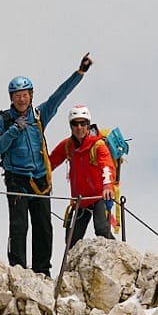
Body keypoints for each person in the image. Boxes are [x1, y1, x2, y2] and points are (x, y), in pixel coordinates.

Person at [0, 54, 94, 277]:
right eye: (17, 95)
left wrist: (80, 73)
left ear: (31, 95)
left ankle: (42, 271)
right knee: (19, 227)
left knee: (43, 227)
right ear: (11, 97)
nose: (22, 99)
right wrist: (14, 130)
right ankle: (18, 270)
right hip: (16, 179)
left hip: (39, 180)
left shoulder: (39, 115)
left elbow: (59, 95)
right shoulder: (4, 120)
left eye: (25, 95)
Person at [49, 104, 116, 248]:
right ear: (70, 126)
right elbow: (50, 163)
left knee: (102, 230)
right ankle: (71, 268)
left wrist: (107, 186)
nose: (79, 127)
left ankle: (117, 254)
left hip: (99, 196)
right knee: (72, 240)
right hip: (80, 199)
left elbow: (107, 165)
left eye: (83, 123)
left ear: (88, 124)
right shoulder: (67, 145)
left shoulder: (98, 145)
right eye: (75, 123)